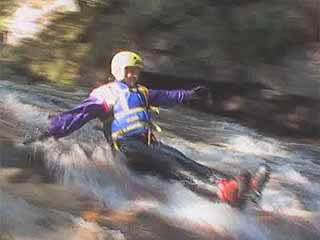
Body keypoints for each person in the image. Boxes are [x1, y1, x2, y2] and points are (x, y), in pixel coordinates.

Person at [24, 51, 271, 209]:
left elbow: (166, 95)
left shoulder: (142, 92)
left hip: (149, 145)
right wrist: (49, 131)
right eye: (130, 71)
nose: (134, 75)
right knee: (170, 163)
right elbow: (77, 116)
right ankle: (227, 192)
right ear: (119, 71)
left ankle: (239, 193)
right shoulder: (105, 95)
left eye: (137, 71)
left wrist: (190, 95)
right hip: (127, 150)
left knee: (182, 161)